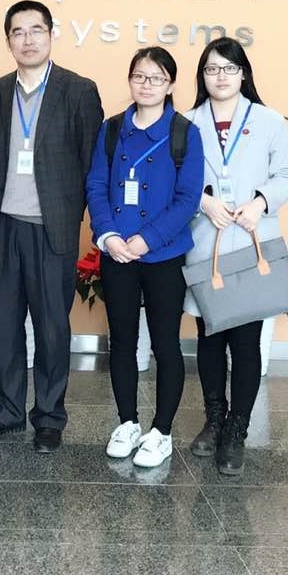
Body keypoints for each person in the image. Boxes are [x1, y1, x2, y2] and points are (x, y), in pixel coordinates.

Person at [0, 0, 103, 453]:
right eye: (18, 32)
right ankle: (7, 411)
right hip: (4, 226)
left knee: (51, 328)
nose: (27, 40)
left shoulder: (78, 90)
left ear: (51, 34)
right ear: (8, 40)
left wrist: (77, 217)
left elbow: (92, 164)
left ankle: (49, 417)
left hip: (52, 229)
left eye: (36, 30)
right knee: (5, 326)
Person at [183, 37, 288, 474]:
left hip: (251, 241)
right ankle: (214, 420)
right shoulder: (187, 122)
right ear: (202, 76)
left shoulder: (269, 120)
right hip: (207, 241)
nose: (221, 76)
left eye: (229, 68)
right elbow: (175, 178)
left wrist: (261, 202)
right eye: (212, 69)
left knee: (247, 343)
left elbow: (287, 174)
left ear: (243, 73)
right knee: (210, 336)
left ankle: (237, 429)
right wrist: (203, 202)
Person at [85, 47, 203, 468]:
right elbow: (96, 184)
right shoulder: (113, 128)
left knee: (165, 343)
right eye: (139, 76)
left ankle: (161, 431)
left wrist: (147, 240)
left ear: (171, 84)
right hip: (117, 253)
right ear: (130, 80)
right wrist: (108, 234)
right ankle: (128, 422)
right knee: (121, 341)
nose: (146, 84)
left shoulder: (185, 132)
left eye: (156, 78)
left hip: (163, 254)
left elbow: (188, 198)